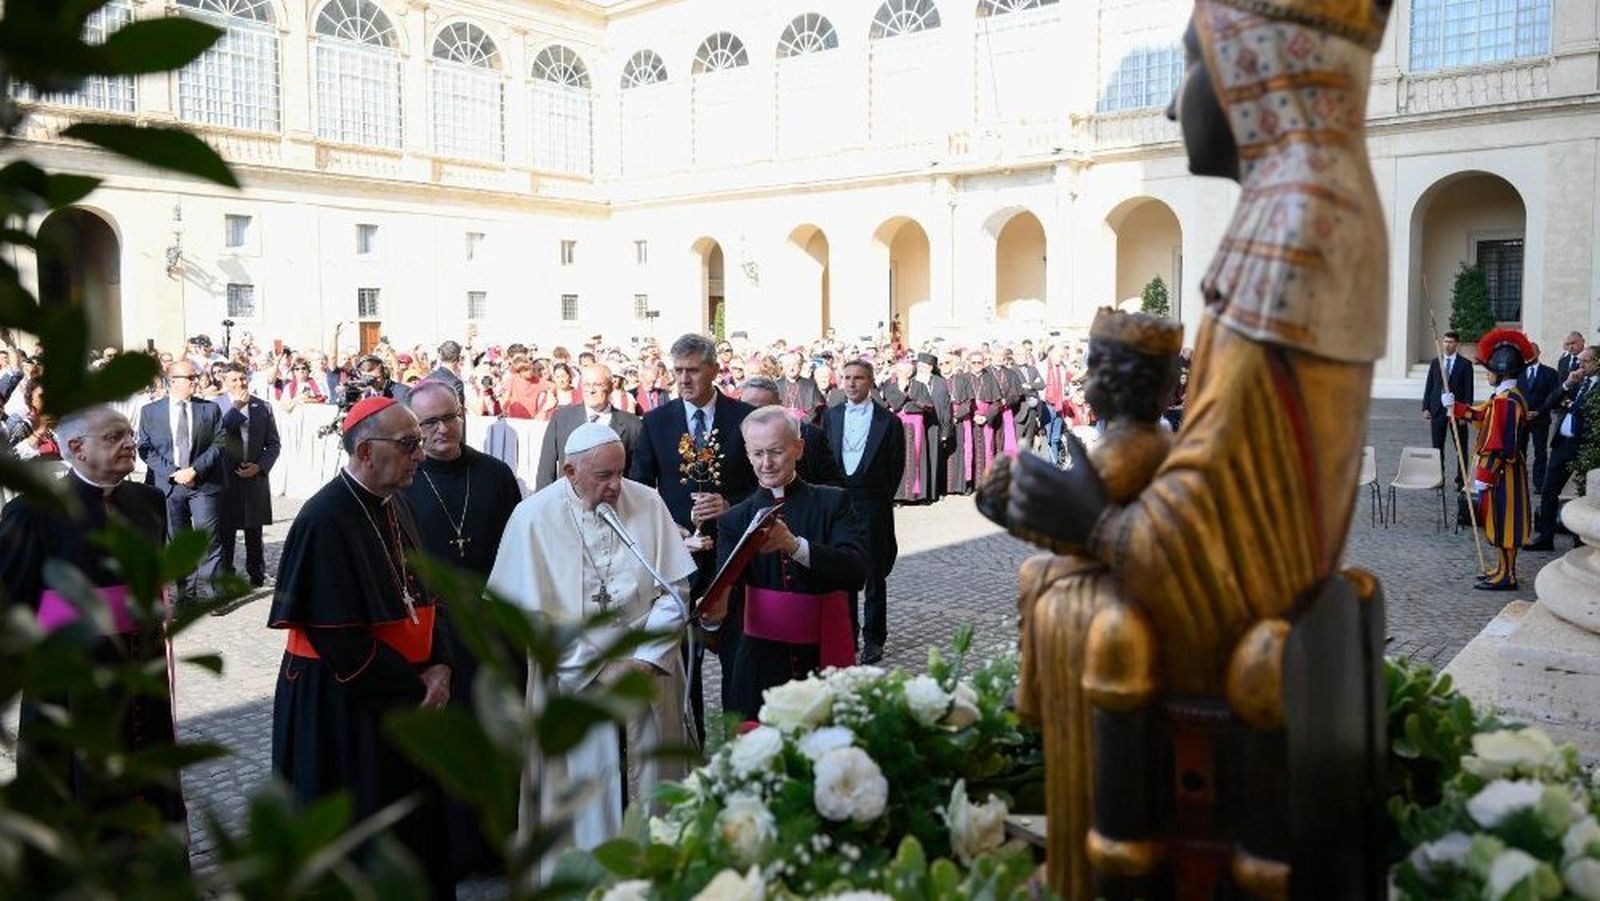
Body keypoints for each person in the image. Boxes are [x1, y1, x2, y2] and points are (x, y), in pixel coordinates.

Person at [269, 397, 455, 899]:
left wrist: (440, 664)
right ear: (368, 451)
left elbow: (424, 596)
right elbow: (336, 637)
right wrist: (411, 688)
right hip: (344, 706)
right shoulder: (325, 517)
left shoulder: (396, 504)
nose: (420, 452)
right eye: (409, 443)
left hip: (405, 690)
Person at [488, 422, 695, 861]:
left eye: (620, 472)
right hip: (573, 683)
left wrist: (643, 658)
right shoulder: (532, 517)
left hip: (648, 674)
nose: (616, 486)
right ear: (569, 471)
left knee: (652, 787)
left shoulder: (648, 502)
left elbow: (675, 591)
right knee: (585, 793)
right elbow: (530, 617)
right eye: (603, 476)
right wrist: (599, 667)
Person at [0, 405, 187, 837]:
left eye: (129, 433)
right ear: (77, 448)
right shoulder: (34, 513)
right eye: (113, 437)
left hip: (143, 672)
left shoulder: (148, 500)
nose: (129, 443)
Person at [397, 380, 522, 879]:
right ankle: (451, 848)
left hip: (494, 630)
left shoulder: (495, 475)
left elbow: (519, 548)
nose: (442, 429)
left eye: (450, 417)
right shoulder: (406, 482)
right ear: (414, 428)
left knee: (496, 736)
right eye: (429, 422)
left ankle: (501, 841)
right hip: (434, 631)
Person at [703, 406, 868, 719]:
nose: (766, 464)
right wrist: (712, 615)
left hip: (823, 656)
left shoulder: (834, 503)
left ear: (799, 448)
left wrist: (795, 547)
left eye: (776, 452)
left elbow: (856, 570)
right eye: (757, 454)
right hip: (761, 664)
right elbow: (725, 598)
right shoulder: (734, 520)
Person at [629, 333, 757, 732]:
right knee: (684, 662)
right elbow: (638, 487)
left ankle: (739, 739)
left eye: (692, 371)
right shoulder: (655, 422)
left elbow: (764, 483)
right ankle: (693, 740)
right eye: (677, 371)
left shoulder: (744, 418)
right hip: (678, 557)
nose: (683, 380)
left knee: (739, 658)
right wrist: (669, 525)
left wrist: (731, 505)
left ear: (714, 371)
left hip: (733, 558)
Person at [824, 359, 905, 664]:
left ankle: (874, 638)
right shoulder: (831, 417)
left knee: (873, 574)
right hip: (841, 503)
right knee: (844, 572)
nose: (852, 383)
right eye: (847, 378)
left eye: (858, 378)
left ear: (870, 381)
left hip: (873, 503)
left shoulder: (888, 421)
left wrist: (879, 499)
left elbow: (896, 466)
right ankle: (848, 633)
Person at [137, 360, 231, 602]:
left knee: (208, 539)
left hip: (203, 483)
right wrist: (175, 472)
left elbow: (220, 442)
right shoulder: (151, 411)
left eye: (196, 376)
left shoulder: (209, 409)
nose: (196, 381)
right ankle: (185, 595)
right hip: (170, 486)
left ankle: (214, 595)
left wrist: (194, 470)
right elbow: (145, 448)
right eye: (190, 377)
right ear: (173, 381)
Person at [1448, 329, 1534, 590]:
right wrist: (1455, 406)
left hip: (1502, 472)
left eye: (1489, 370)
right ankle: (1501, 569)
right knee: (1498, 521)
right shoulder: (1502, 398)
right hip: (1502, 471)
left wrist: (1487, 473)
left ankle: (1508, 575)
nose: (1487, 375)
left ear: (1502, 371)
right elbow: (1481, 416)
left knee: (1506, 522)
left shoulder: (1507, 402)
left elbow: (1501, 445)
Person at [1526, 344, 1598, 550]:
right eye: (1579, 361)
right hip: (1563, 443)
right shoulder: (1576, 382)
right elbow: (1550, 403)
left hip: (1585, 446)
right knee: (1549, 490)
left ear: (1596, 363)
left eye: (1585, 361)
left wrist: (1574, 406)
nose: (1579, 364)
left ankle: (1581, 541)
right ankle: (1545, 537)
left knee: (1583, 494)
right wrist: (1566, 385)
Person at [215, 363, 280, 589]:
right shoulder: (215, 406)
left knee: (254, 527)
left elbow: (273, 444)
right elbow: (218, 436)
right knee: (226, 530)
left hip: (254, 476)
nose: (239, 384)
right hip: (225, 476)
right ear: (224, 381)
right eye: (233, 380)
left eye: (242, 379)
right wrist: (236, 406)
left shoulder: (262, 407)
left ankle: (257, 572)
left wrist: (260, 467)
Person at [535, 362, 643, 490]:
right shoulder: (561, 419)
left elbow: (639, 477)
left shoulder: (632, 425)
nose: (591, 390)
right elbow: (546, 469)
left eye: (597, 385)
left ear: (610, 387)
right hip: (569, 502)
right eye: (586, 385)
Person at [739, 376, 844, 487]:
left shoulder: (809, 436)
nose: (754, 416)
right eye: (747, 409)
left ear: (779, 405)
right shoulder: (732, 437)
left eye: (761, 410)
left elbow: (833, 484)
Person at [879, 358, 938, 503]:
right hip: (897, 426)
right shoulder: (890, 385)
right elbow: (894, 404)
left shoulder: (920, 386)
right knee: (897, 457)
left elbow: (928, 406)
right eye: (898, 370)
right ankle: (898, 495)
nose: (900, 373)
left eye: (904, 371)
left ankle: (918, 495)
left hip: (916, 425)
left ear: (910, 372)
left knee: (917, 456)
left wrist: (907, 407)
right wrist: (904, 394)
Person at [1422, 330, 1474, 489]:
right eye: (1445, 341)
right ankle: (1438, 477)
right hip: (1437, 409)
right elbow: (1430, 385)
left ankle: (1461, 479)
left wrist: (1465, 413)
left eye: (1451, 342)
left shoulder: (1465, 364)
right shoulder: (1435, 362)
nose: (1447, 344)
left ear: (1456, 344)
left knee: (1461, 447)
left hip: (1457, 411)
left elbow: (1468, 391)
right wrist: (1426, 407)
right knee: (1437, 446)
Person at [1517, 343, 1560, 493]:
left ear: (1539, 352)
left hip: (1540, 418)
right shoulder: (1517, 372)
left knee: (1540, 452)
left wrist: (1539, 411)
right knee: (1519, 451)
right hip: (1521, 419)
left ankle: (1539, 483)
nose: (1530, 354)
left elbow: (1553, 396)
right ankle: (1518, 481)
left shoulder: (1550, 373)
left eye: (1533, 351)